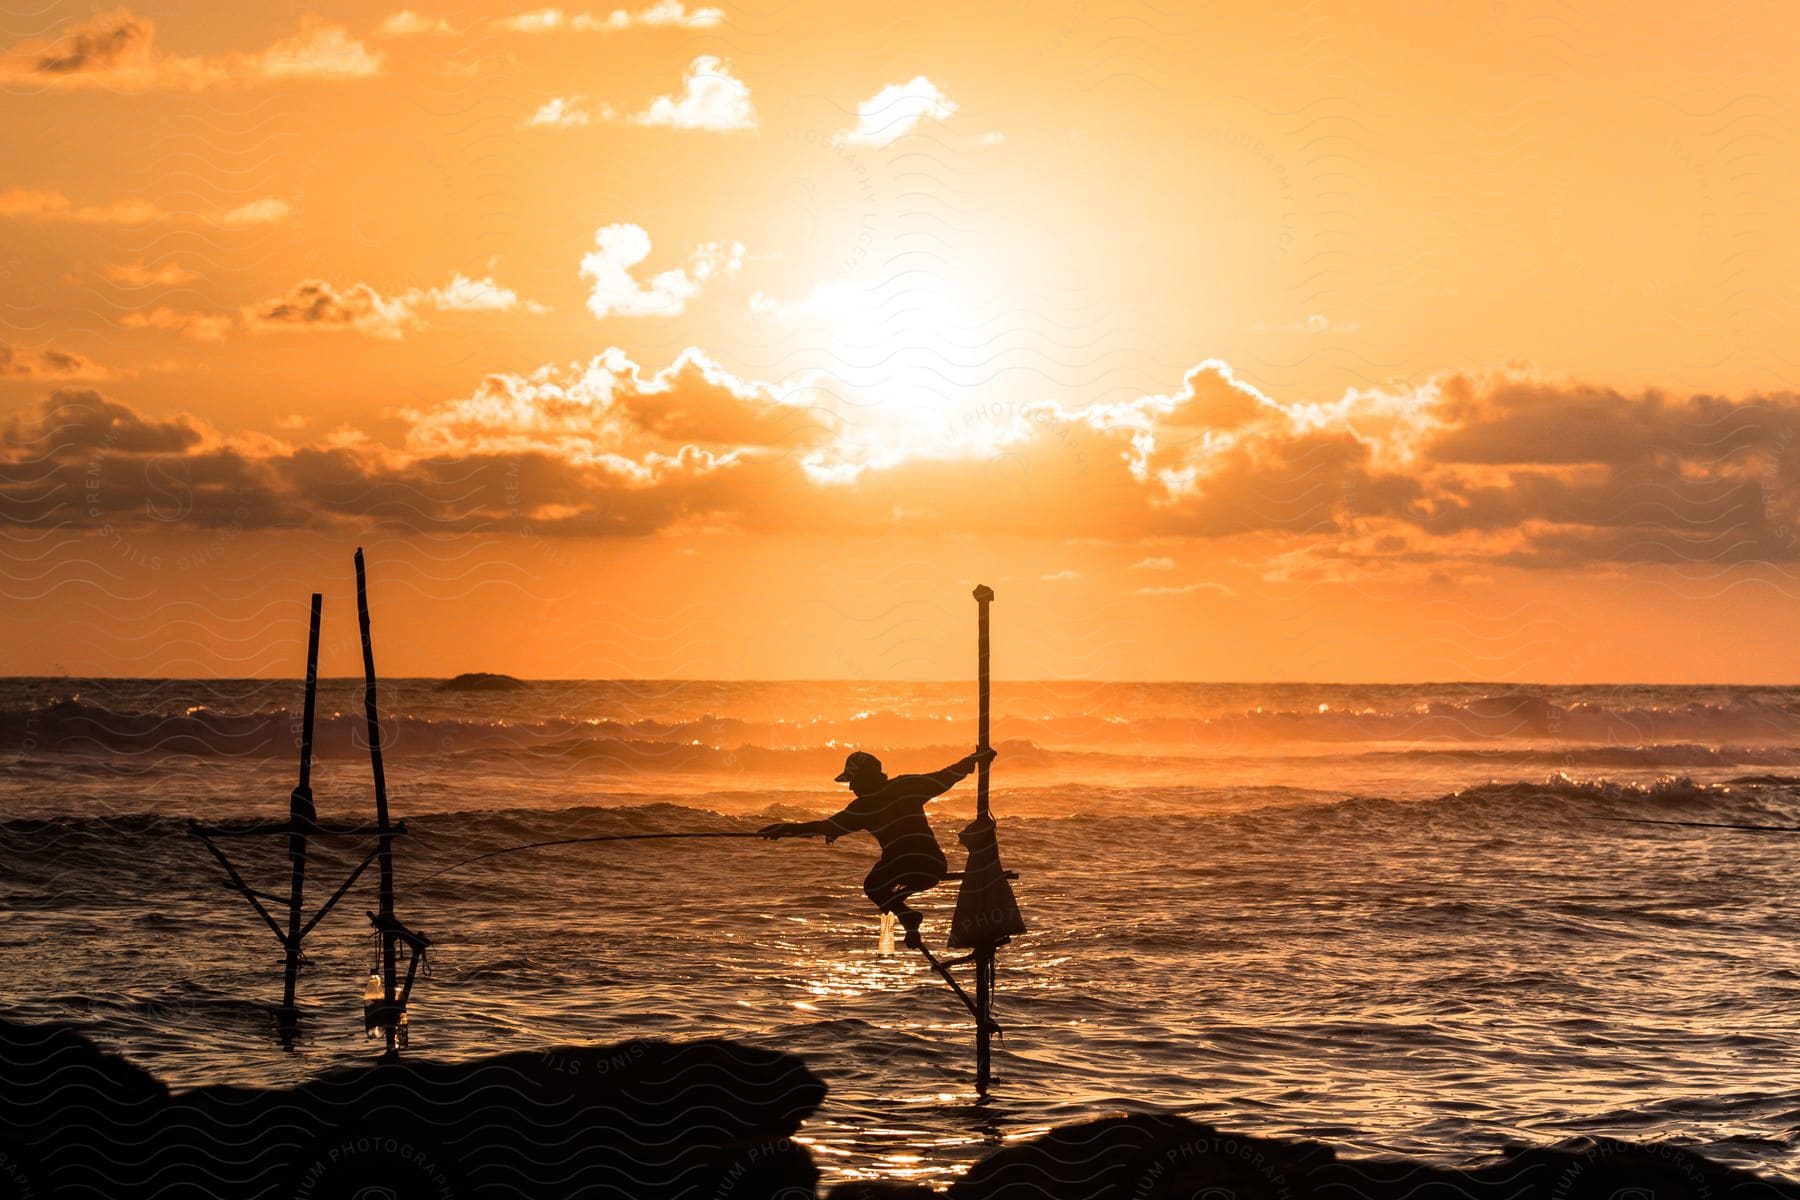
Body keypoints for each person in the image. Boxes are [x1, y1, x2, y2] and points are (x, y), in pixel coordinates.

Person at [760, 747, 997, 949]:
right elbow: (945, 777)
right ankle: (907, 916)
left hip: (904, 867)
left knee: (873, 887)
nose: (851, 788)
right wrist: (972, 761)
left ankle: (907, 915)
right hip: (932, 867)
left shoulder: (864, 806)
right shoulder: (907, 786)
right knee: (891, 891)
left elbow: (823, 826)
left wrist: (784, 829)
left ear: (865, 779)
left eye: (853, 781)